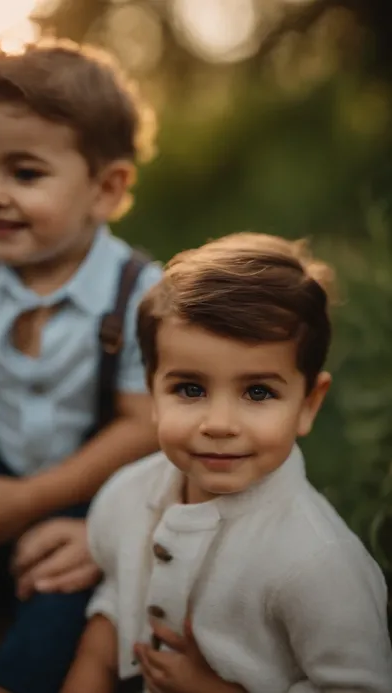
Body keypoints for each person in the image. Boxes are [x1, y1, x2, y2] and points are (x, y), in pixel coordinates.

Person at [0, 38, 161, 693]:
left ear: (106, 190)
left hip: (92, 494)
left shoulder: (138, 293)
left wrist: (28, 501)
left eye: (24, 175)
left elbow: (143, 425)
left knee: (45, 647)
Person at [61, 232, 392, 693]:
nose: (219, 424)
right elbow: (119, 601)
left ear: (308, 405)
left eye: (258, 392)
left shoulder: (318, 564)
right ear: (151, 392)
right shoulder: (129, 496)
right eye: (190, 389)